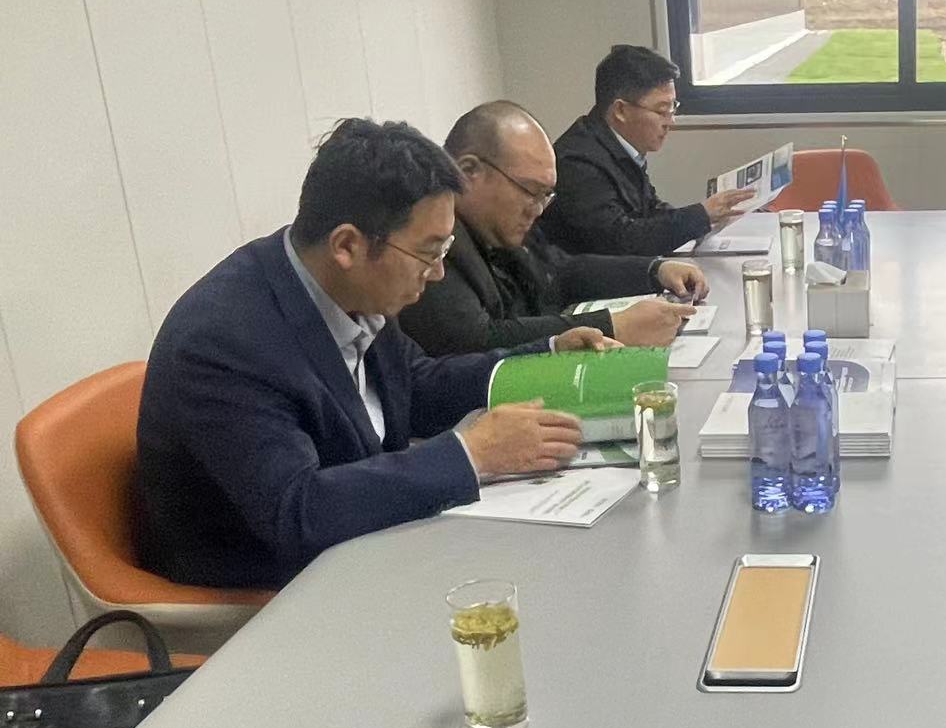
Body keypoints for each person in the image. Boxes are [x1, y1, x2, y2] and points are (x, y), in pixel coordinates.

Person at [137, 118, 607, 591]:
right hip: (276, 588)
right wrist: (475, 454)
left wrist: (547, 354)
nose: (438, 274)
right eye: (429, 252)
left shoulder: (347, 284)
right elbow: (297, 511)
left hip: (369, 543)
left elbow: (417, 385)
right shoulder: (226, 340)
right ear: (347, 245)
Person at [399, 100, 708, 354]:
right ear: (469, 171)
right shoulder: (431, 238)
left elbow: (559, 271)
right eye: (530, 191)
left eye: (545, 195)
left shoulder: (500, 222)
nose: (537, 209)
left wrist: (654, 270)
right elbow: (474, 340)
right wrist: (611, 326)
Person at [543, 45, 754, 255]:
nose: (670, 121)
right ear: (621, 110)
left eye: (673, 107)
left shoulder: (619, 145)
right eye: (662, 110)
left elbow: (649, 211)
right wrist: (700, 216)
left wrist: (706, 219)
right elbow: (619, 242)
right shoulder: (578, 162)